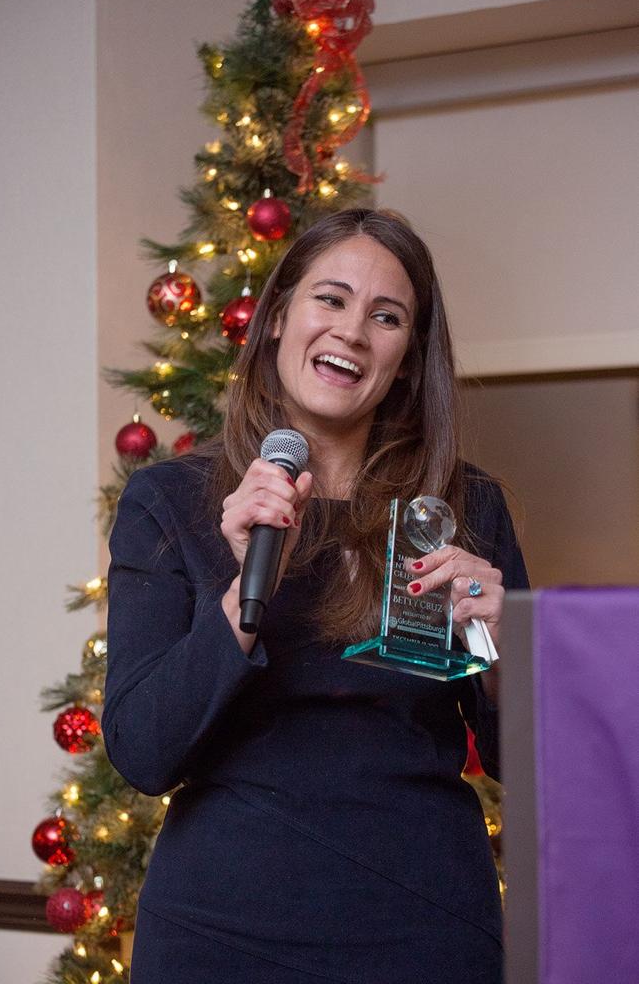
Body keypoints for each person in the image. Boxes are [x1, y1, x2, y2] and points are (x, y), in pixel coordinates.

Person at [103, 207, 529, 983]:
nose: (352, 333)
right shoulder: (168, 502)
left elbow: (529, 765)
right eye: (329, 299)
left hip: (425, 926)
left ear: (406, 359)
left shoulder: (465, 509)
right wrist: (239, 593)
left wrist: (501, 646)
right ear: (277, 320)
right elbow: (143, 751)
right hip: (218, 928)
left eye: (386, 316)